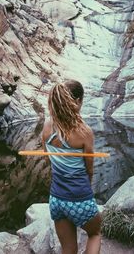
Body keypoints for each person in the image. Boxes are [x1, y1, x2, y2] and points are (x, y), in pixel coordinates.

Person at [42, 80, 101, 254]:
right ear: (78, 101)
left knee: (68, 249)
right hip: (79, 197)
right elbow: (89, 169)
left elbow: (48, 161)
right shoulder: (84, 131)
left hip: (56, 199)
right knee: (95, 233)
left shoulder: (46, 125)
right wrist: (86, 192)